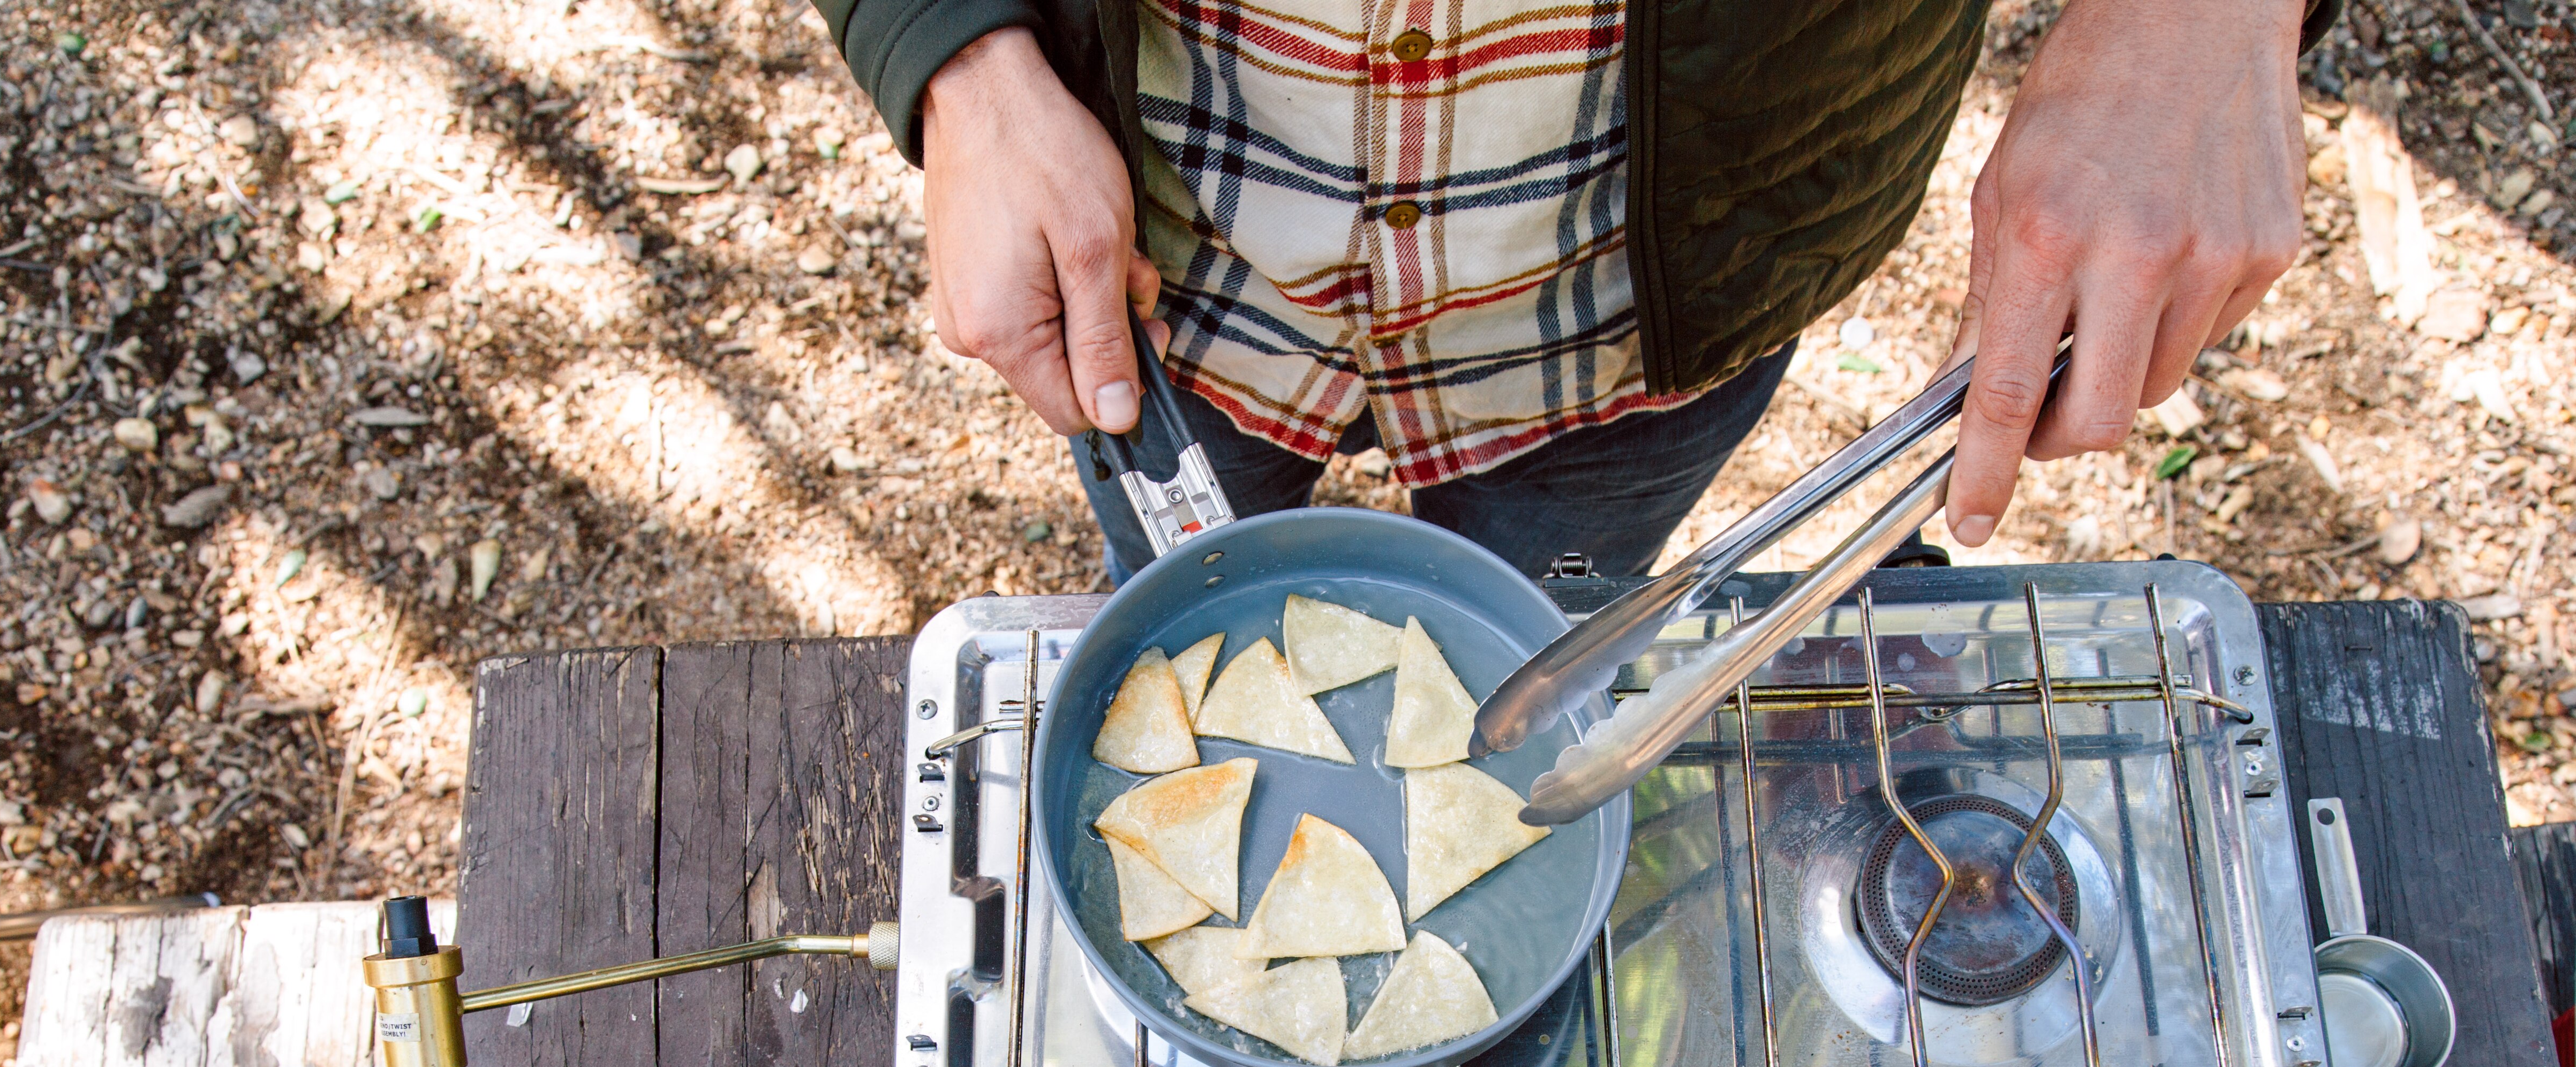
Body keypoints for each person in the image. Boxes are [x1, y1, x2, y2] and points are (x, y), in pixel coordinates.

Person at [820, 0, 2337, 587]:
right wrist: (953, 46)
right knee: (1204, 649)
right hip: (1161, 263)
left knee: (1549, 639)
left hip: (1646, 297)